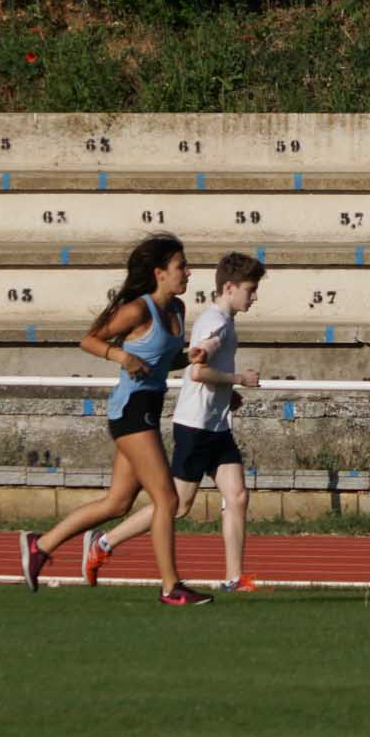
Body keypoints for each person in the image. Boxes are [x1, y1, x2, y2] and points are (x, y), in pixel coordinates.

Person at [18, 234, 215, 606]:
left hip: (149, 407)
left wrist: (190, 357)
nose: (188, 272)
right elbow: (89, 340)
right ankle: (171, 587)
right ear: (159, 273)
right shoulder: (137, 310)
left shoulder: (177, 310)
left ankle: (39, 546)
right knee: (167, 499)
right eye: (181, 267)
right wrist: (121, 357)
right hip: (131, 411)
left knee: (118, 504)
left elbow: (161, 359)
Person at [83, 252, 265, 593]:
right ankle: (104, 542)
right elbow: (197, 371)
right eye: (250, 289)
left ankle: (233, 578)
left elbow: (205, 371)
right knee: (177, 506)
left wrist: (227, 393)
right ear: (229, 287)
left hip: (216, 424)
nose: (254, 297)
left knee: (237, 495)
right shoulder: (215, 323)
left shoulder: (225, 320)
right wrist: (239, 378)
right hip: (195, 426)